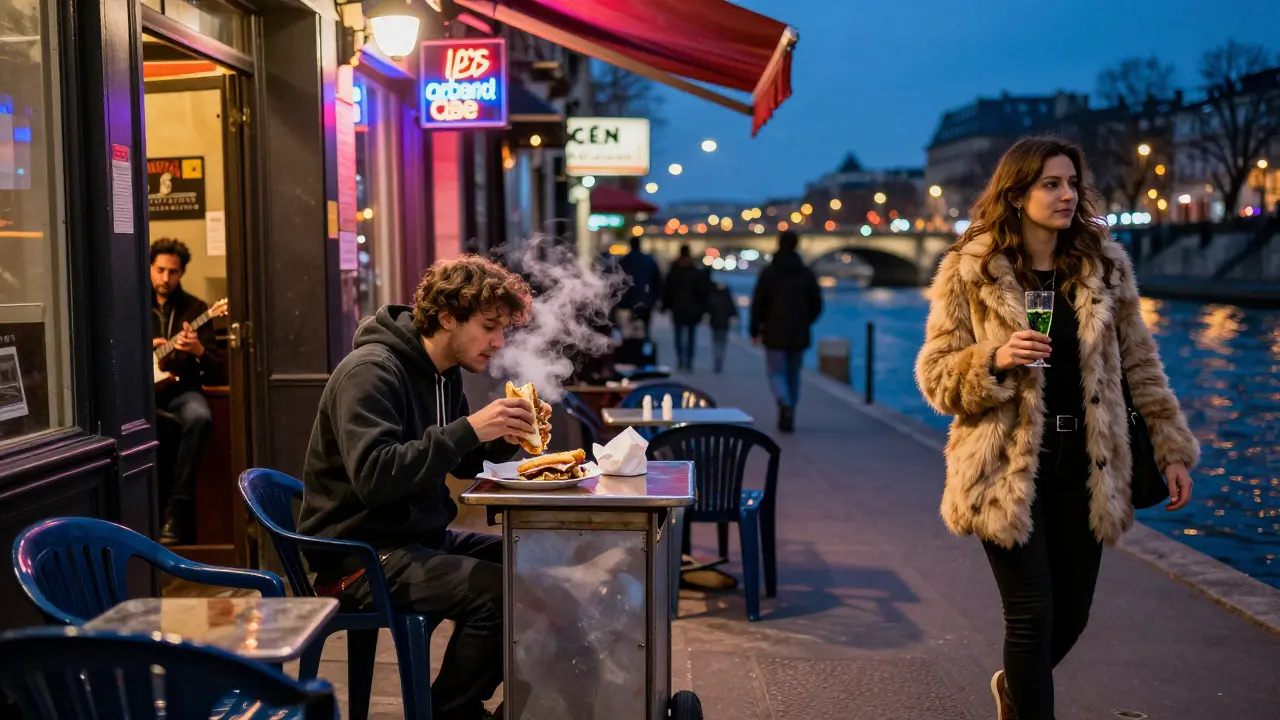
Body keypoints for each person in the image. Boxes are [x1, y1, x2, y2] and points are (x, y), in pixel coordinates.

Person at [914, 137, 1198, 720]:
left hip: (1087, 461)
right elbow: (938, 378)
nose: (1067, 195)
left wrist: (1170, 447)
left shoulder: (1103, 265)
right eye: (1051, 184)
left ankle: (1015, 690)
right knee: (1031, 616)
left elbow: (1140, 364)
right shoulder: (971, 270)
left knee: (1072, 615)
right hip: (1005, 464)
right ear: (1016, 194)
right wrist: (992, 358)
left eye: (1072, 183)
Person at [298, 255, 547, 720]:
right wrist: (471, 428)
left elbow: (459, 460)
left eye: (503, 330)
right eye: (489, 326)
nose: (498, 343)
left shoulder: (442, 371)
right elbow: (376, 478)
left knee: (533, 566)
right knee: (497, 594)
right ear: (448, 316)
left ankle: (526, 698)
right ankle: (449, 710)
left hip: (417, 539)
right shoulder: (370, 371)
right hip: (361, 555)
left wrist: (508, 433)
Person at [150, 238, 221, 545]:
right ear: (151, 268)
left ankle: (176, 511)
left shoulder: (197, 309)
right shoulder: (134, 304)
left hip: (181, 391)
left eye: (173, 272)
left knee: (200, 417)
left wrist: (197, 349)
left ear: (182, 273)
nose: (166, 278)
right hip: (142, 394)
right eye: (160, 270)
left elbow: (218, 367)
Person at [749, 230, 822, 432]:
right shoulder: (806, 273)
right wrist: (806, 321)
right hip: (799, 332)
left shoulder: (769, 273)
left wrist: (755, 328)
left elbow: (758, 304)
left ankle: (783, 402)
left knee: (775, 372)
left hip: (774, 331)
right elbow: (816, 303)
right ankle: (791, 408)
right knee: (793, 374)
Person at [661, 244, 707, 371]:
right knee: (691, 336)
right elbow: (702, 293)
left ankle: (680, 358)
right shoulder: (696, 272)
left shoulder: (674, 271)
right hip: (693, 309)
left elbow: (667, 290)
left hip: (677, 308)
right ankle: (689, 360)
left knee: (678, 335)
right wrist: (703, 309)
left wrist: (665, 306)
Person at [615, 236, 662, 339]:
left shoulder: (623, 261)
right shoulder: (649, 261)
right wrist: (654, 298)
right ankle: (644, 348)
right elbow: (657, 281)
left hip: (627, 302)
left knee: (627, 331)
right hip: (645, 301)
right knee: (644, 329)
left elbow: (617, 283)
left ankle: (630, 350)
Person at [705, 280, 737, 373]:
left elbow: (708, 307)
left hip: (715, 322)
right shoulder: (726, 294)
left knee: (716, 343)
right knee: (721, 343)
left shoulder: (713, 294)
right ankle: (719, 361)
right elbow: (732, 308)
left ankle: (717, 361)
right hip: (723, 323)